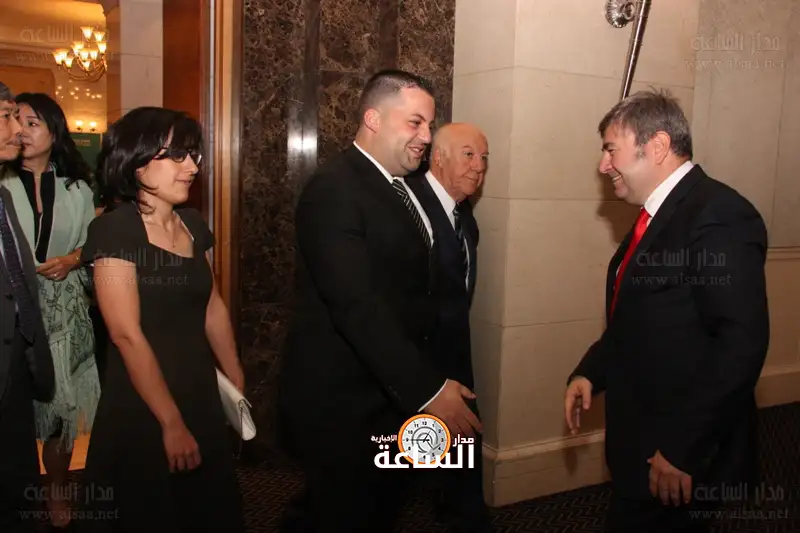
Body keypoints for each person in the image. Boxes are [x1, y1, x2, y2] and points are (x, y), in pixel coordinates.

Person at [278, 69, 483, 533]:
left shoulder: (401, 187)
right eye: (415, 123)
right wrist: (429, 390)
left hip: (388, 396)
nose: (426, 136)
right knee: (338, 515)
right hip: (343, 404)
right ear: (373, 119)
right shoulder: (335, 188)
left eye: (429, 125)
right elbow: (355, 305)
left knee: (376, 510)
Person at [564, 89, 770, 533]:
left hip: (677, 456)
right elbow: (640, 318)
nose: (603, 165)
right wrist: (592, 372)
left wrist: (681, 448)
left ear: (656, 146)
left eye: (611, 150)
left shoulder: (719, 215)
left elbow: (739, 344)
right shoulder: (657, 216)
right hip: (644, 443)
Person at [77, 107, 245, 532]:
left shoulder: (192, 224)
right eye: (177, 156)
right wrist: (170, 422)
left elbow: (212, 306)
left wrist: (235, 377)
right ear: (136, 162)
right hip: (144, 403)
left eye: (193, 156)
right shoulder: (114, 231)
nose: (192, 167)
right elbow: (125, 335)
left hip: (199, 390)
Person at [2, 92, 101, 530]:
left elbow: (91, 246)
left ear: (54, 131)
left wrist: (72, 260)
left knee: (61, 411)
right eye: (14, 120)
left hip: (65, 313)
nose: (21, 131)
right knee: (18, 411)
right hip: (16, 313)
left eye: (32, 122)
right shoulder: (2, 182)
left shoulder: (77, 189)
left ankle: (56, 489)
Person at [405, 122, 491, 533]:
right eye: (469, 155)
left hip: (455, 356)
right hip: (412, 361)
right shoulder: (407, 206)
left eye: (484, 158)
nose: (480, 166)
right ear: (437, 157)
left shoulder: (464, 216)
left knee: (460, 450)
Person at [0, 82, 55, 533]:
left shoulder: (0, 198)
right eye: (6, 116)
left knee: (17, 493)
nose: (18, 130)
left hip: (15, 368)